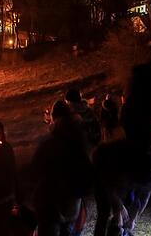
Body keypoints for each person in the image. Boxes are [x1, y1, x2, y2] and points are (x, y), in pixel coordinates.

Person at [30, 101, 93, 236]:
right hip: (72, 202)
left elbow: (34, 170)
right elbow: (87, 169)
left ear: (53, 118)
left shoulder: (49, 143)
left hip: (50, 203)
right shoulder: (79, 140)